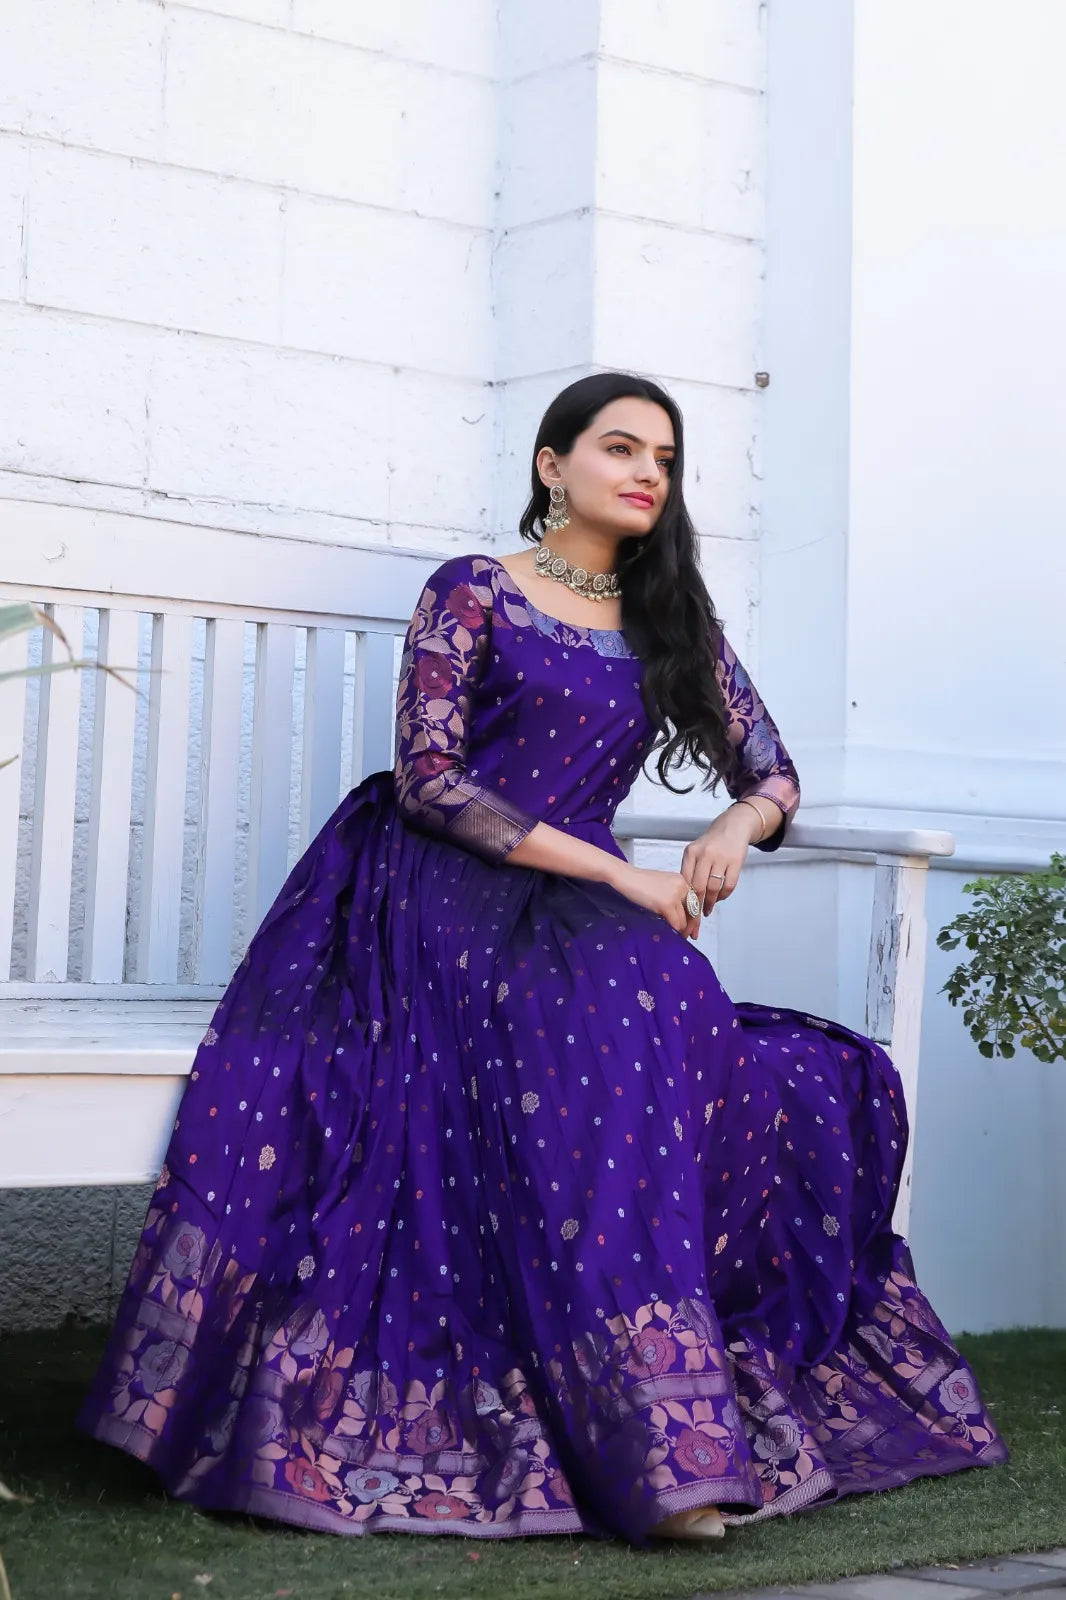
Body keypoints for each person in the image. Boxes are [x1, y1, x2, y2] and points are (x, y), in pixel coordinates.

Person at [77, 372, 1007, 1545]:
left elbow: (772, 772)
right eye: (620, 447)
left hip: (577, 905)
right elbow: (431, 780)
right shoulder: (475, 590)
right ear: (550, 464)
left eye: (664, 458)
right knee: (611, 1011)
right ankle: (654, 1449)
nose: (646, 472)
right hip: (438, 885)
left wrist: (735, 824)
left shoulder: (670, 619)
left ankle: (662, 1421)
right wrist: (623, 875)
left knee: (670, 998)